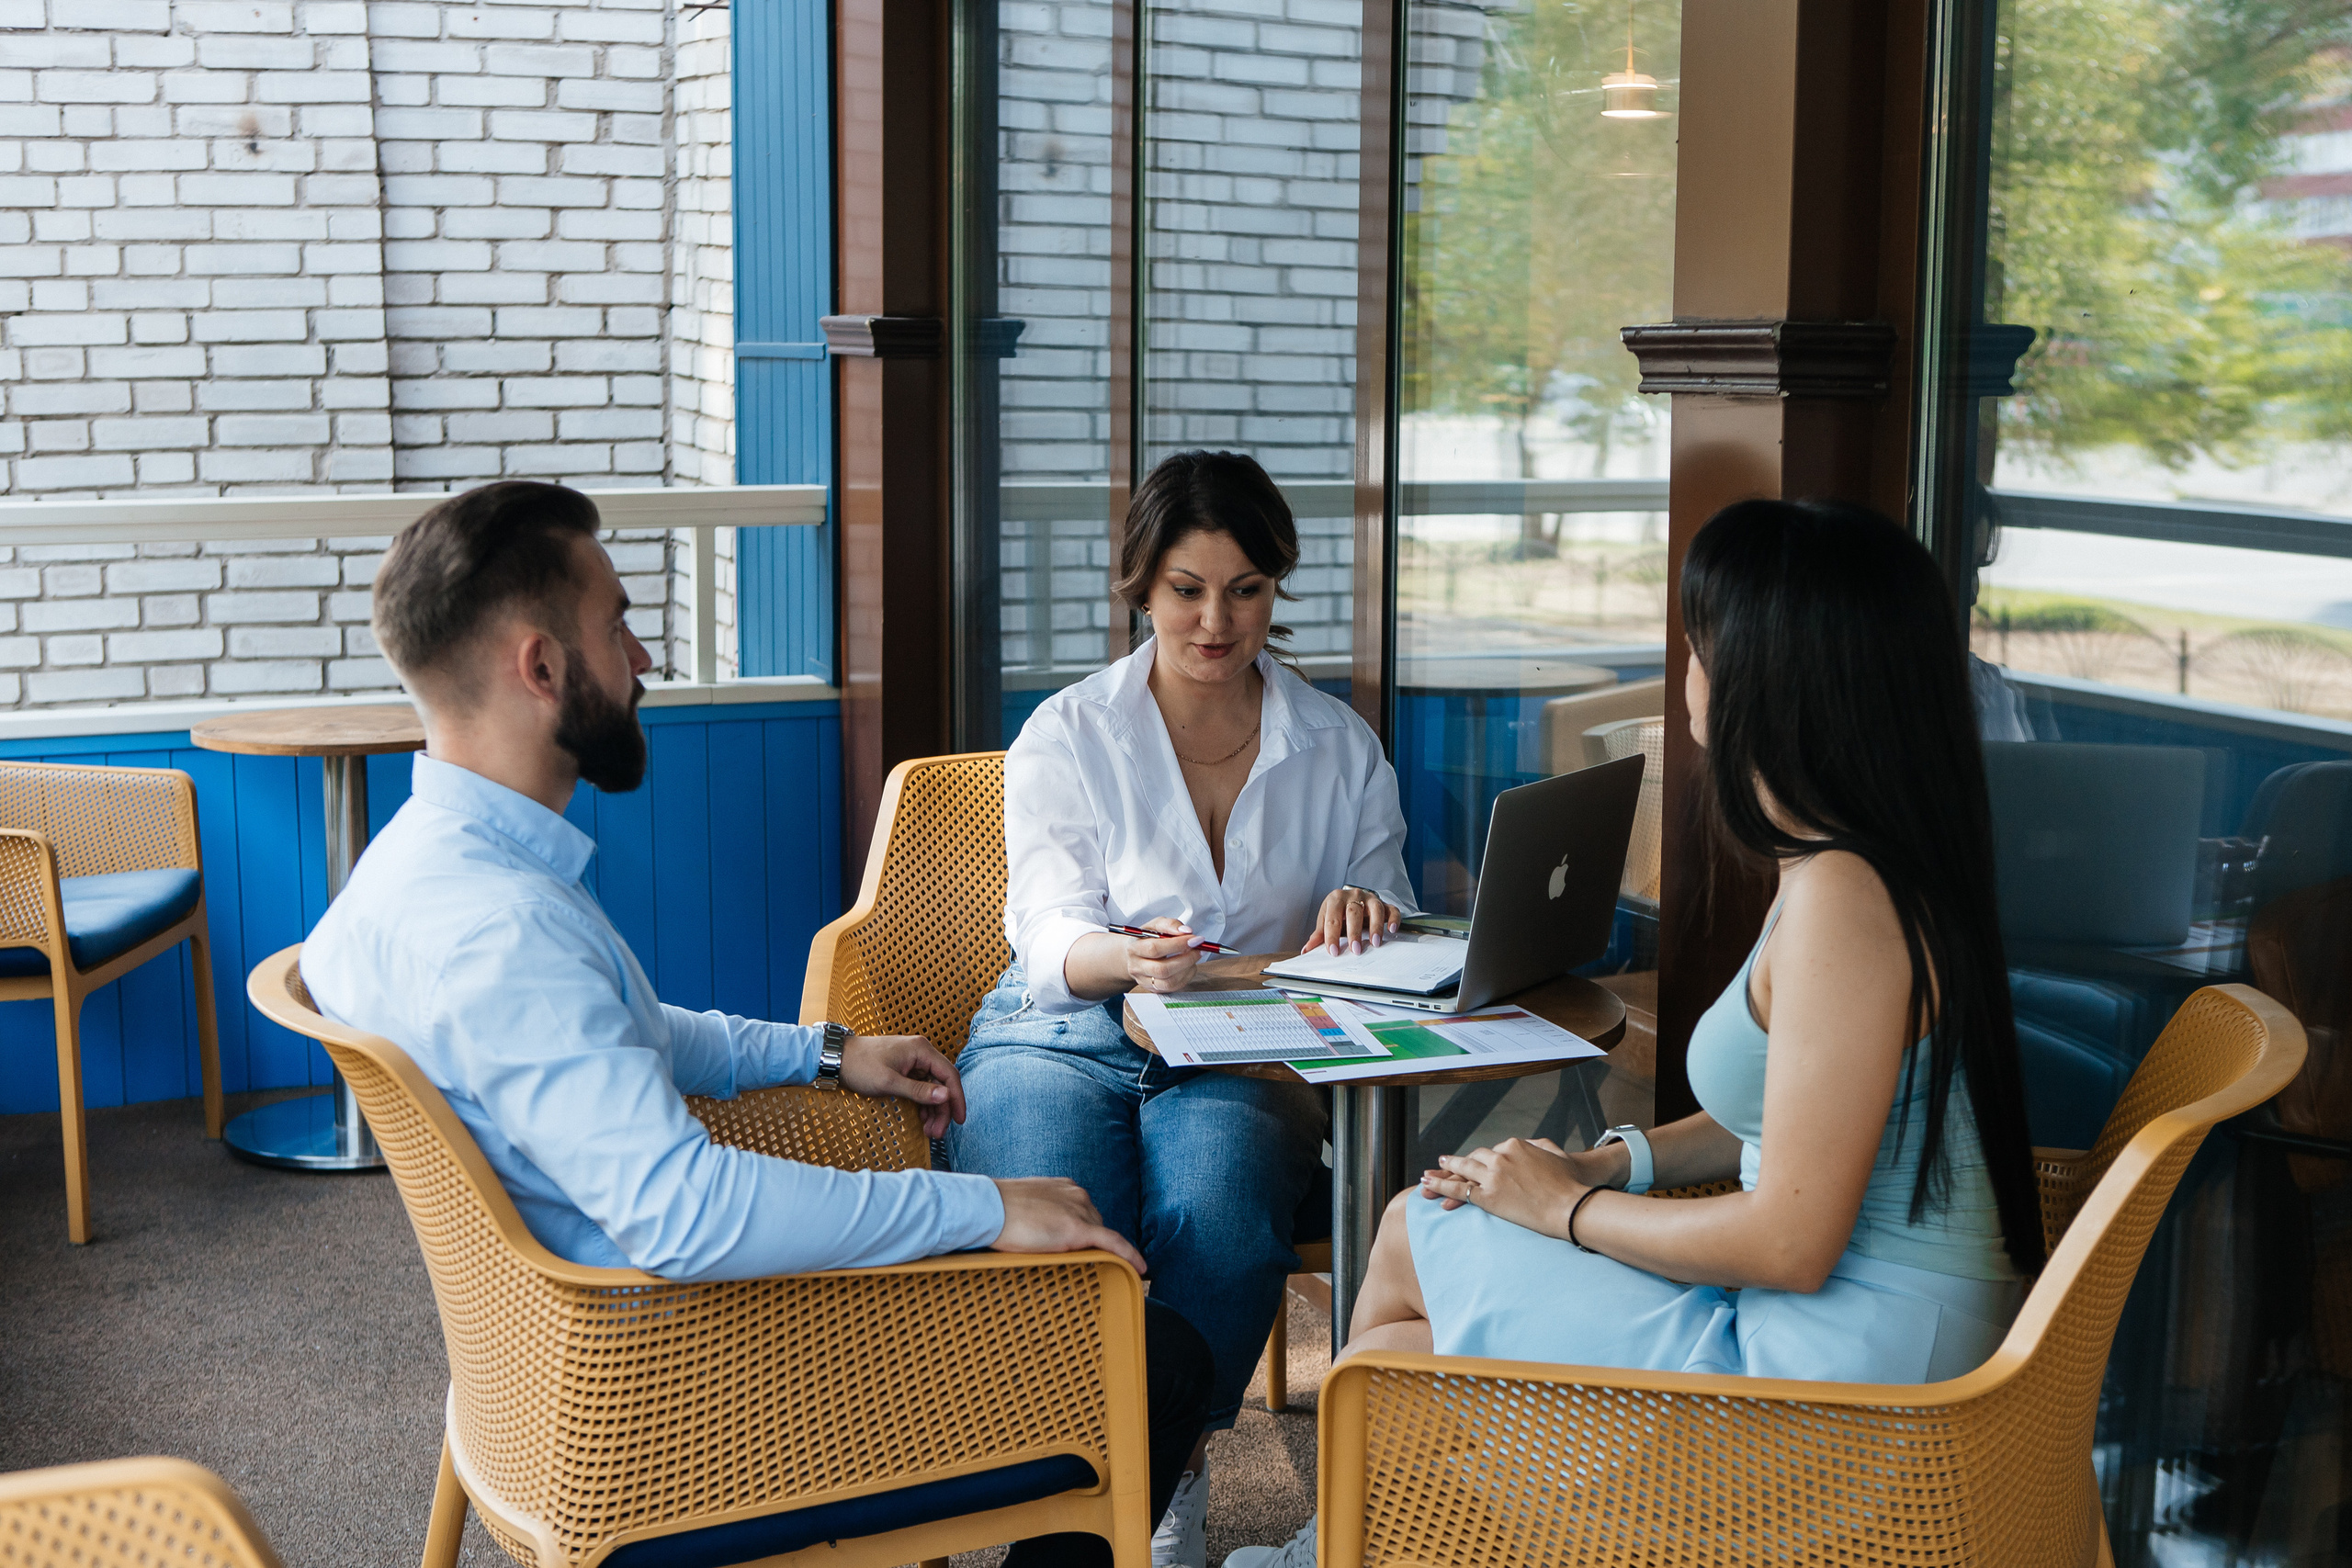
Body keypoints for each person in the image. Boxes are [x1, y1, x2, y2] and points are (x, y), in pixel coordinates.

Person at [301, 480, 1212, 1568]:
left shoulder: (402, 880)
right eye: (621, 626)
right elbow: (688, 1217)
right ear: (541, 668)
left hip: (550, 1367)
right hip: (681, 1400)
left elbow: (618, 1033)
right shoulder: (503, 934)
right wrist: (977, 1207)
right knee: (1146, 1350)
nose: (644, 662)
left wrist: (826, 1052)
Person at [1226, 498, 2049, 1568]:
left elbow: (1788, 1243)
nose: (1687, 672)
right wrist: (1622, 1157)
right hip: (1857, 1341)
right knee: (1403, 1311)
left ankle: (1330, 1553)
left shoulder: (1848, 899)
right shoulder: (1855, 863)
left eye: (1699, 646)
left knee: (1404, 1293)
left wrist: (1570, 1209)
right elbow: (1788, 1120)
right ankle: (1338, 1552)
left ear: (1765, 680)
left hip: (1840, 1394)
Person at [949, 450, 1418, 1567]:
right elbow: (1049, 936)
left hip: (1241, 1050)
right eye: (1187, 590)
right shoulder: (1069, 733)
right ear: (1142, 588)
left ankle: (1163, 1471)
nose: (1217, 620)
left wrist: (1366, 907)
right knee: (1068, 1221)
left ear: (1275, 590)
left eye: (1246, 589)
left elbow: (1389, 903)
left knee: (1215, 1220)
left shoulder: (1339, 746)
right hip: (1062, 1029)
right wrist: (1126, 957)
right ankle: (1077, 1479)